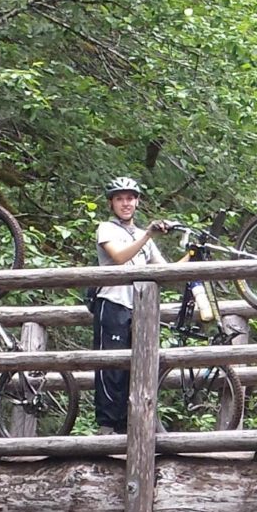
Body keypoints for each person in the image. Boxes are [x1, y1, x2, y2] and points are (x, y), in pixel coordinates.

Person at [90, 175, 172, 434]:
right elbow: (120, 257)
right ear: (111, 204)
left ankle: (130, 427)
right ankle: (106, 428)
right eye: (119, 199)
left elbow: (166, 272)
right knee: (111, 367)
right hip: (112, 302)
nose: (125, 203)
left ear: (137, 202)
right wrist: (148, 235)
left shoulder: (141, 235)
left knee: (136, 367)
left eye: (130, 198)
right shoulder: (107, 228)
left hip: (139, 310)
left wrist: (193, 255)